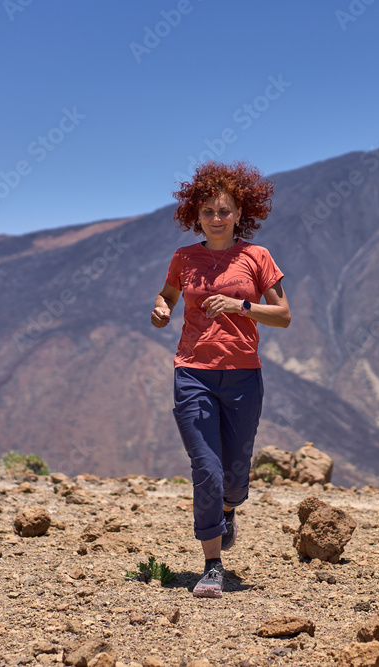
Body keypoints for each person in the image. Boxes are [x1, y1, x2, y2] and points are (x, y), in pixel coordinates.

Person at [152, 160, 291, 598]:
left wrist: (241, 308)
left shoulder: (256, 257)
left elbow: (284, 316)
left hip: (243, 377)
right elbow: (168, 296)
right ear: (195, 215)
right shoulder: (183, 259)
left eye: (225, 211)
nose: (216, 218)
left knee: (233, 476)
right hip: (193, 372)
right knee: (206, 469)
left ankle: (230, 508)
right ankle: (212, 565)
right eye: (209, 211)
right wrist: (160, 310)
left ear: (239, 214)